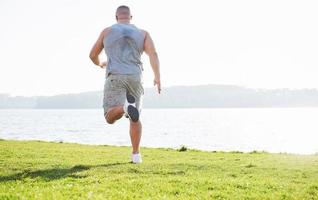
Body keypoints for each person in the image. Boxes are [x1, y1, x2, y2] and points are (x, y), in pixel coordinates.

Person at [89, 5, 161, 164]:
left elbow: (92, 54)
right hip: (135, 77)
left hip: (115, 76)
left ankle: (124, 108)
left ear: (116, 17)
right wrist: (157, 77)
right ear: (131, 17)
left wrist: (100, 63)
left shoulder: (107, 32)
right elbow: (153, 54)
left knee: (109, 117)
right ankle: (136, 155)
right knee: (135, 118)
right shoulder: (143, 34)